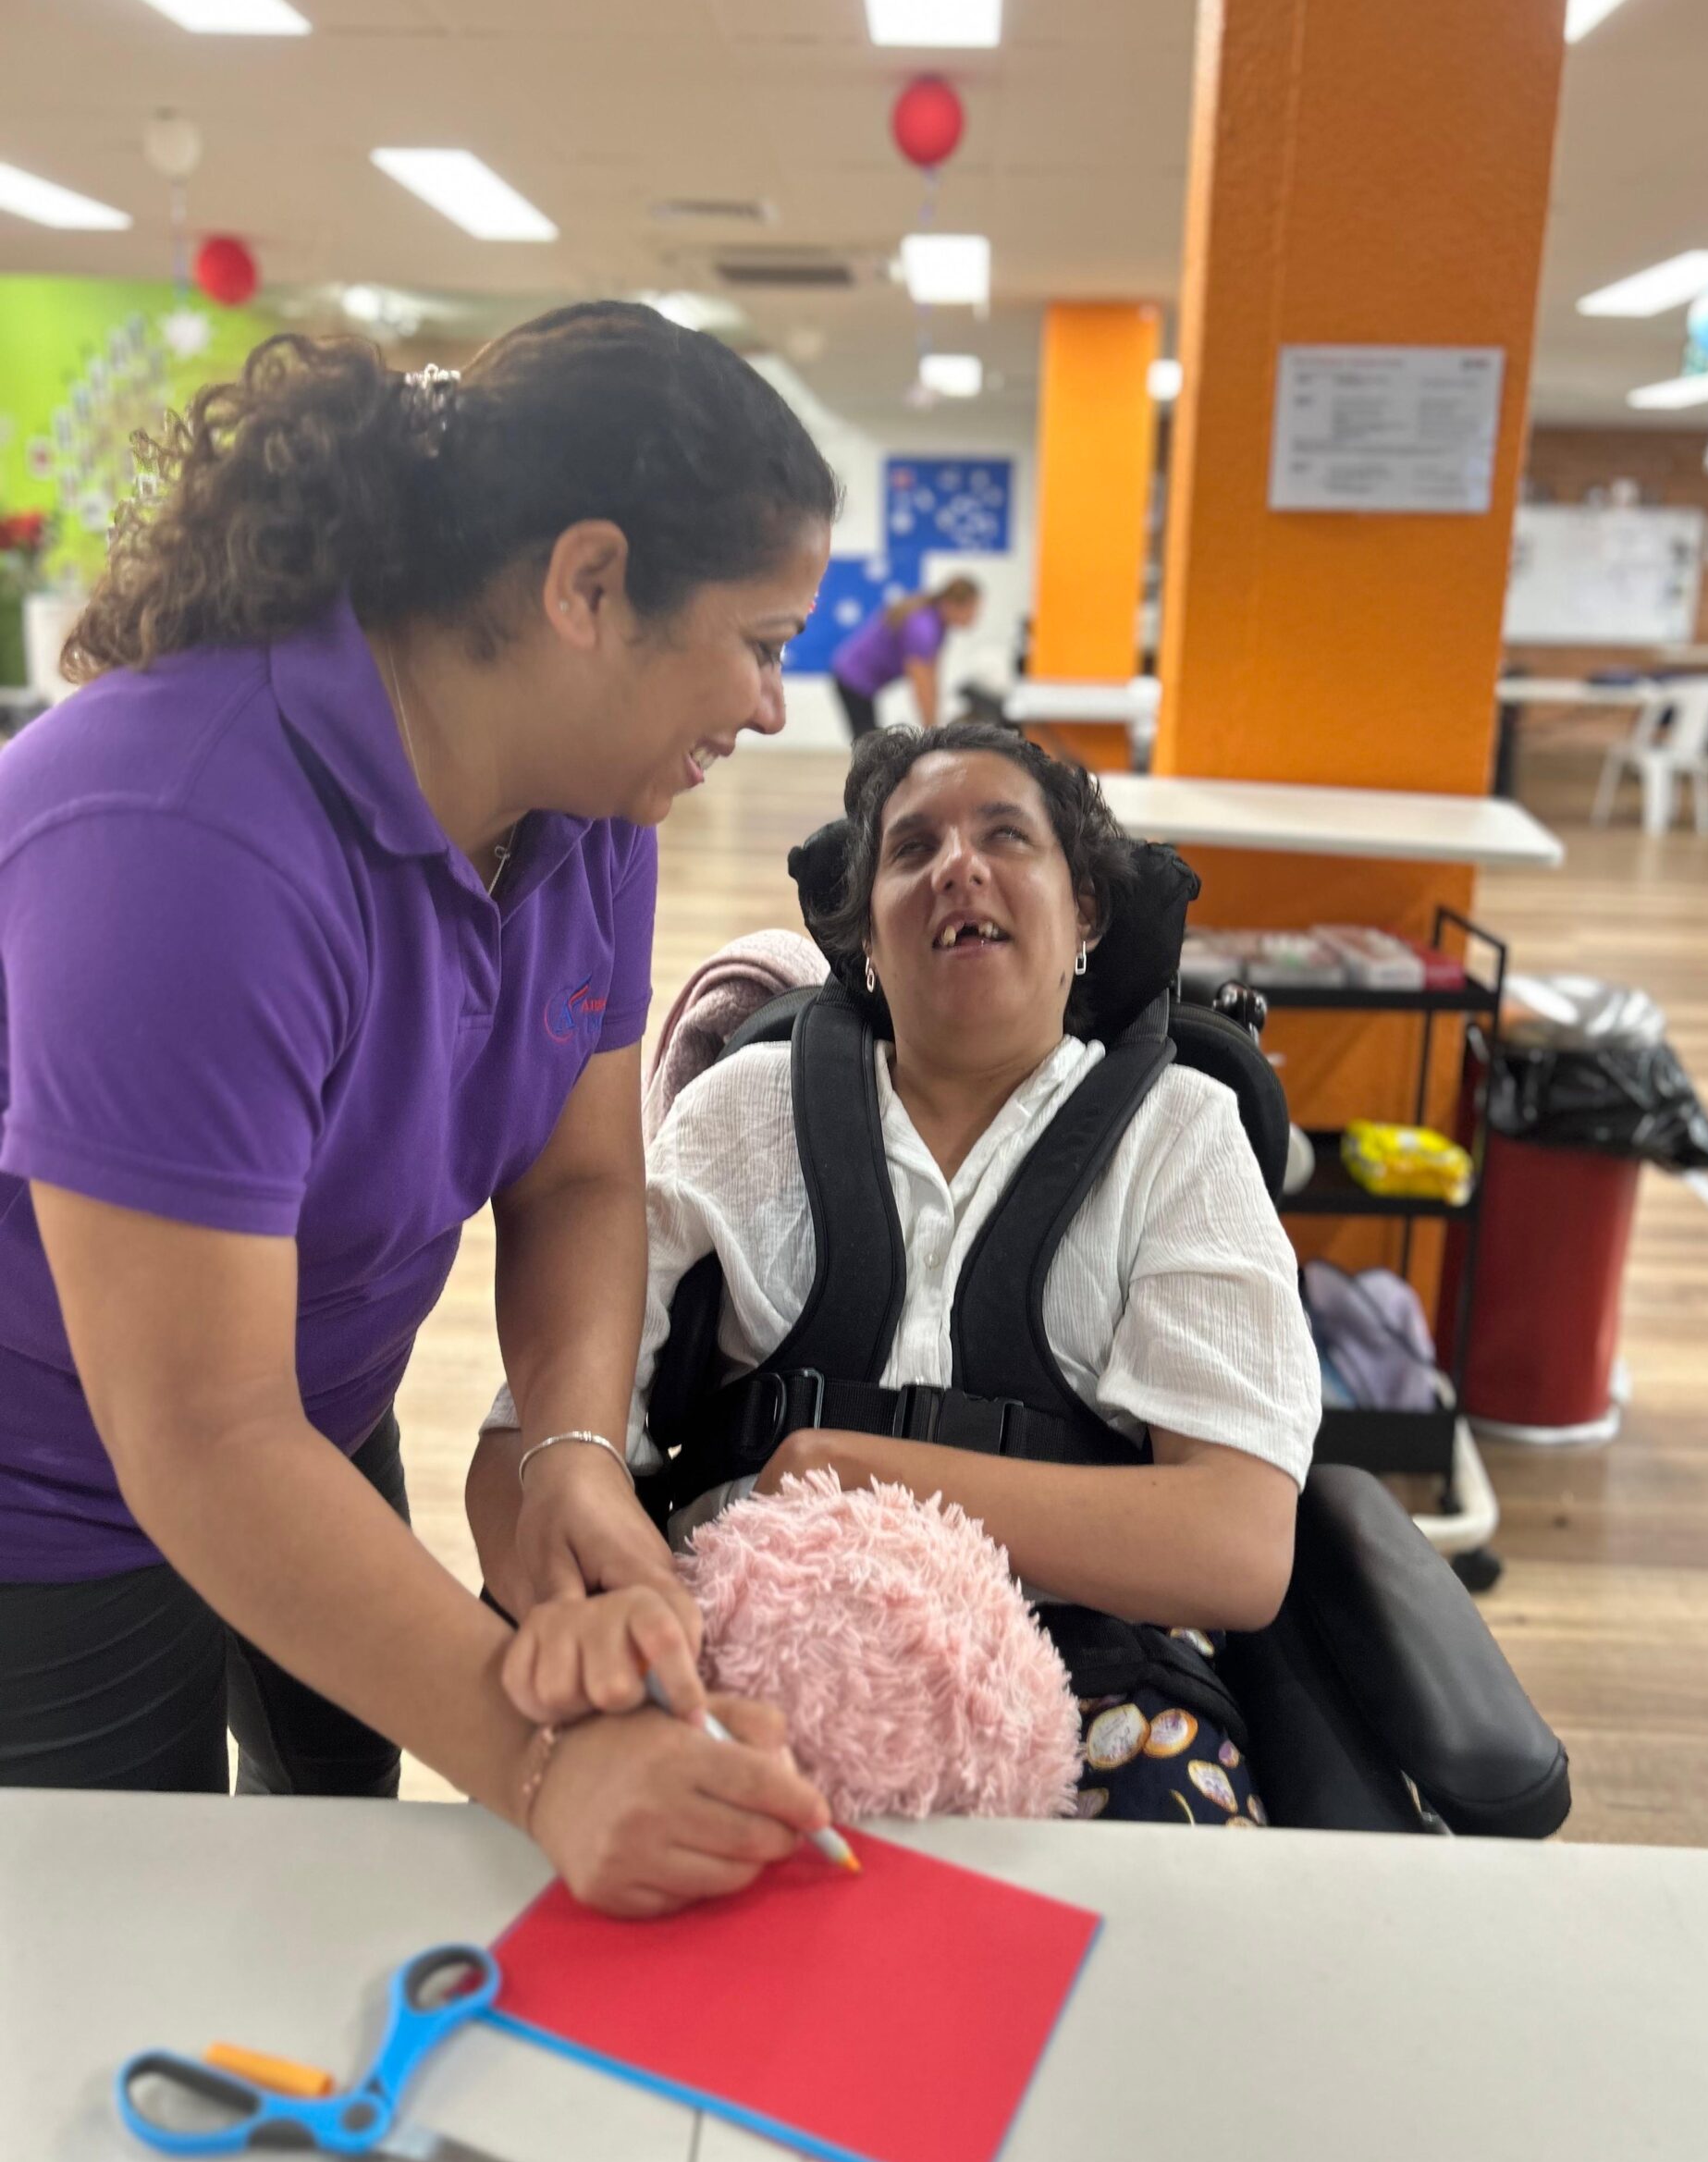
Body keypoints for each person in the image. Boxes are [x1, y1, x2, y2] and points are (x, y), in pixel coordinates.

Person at [0, 303, 844, 1920]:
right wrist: (538, 1768)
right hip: (49, 1481)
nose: (769, 709)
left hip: (307, 1402)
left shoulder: (584, 797)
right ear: (587, 585)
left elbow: (583, 1179)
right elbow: (194, 1428)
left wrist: (571, 1456)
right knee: (115, 1935)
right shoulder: (176, 833)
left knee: (341, 1839)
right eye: (761, 642)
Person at [468, 721, 1321, 1826]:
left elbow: (1237, 1544)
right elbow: (520, 1456)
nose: (958, 865)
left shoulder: (1180, 1137)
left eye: (1006, 835)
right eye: (911, 850)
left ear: (1088, 914)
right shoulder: (746, 1110)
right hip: (731, 1663)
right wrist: (609, 1635)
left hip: (1084, 1689)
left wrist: (842, 1465)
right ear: (865, 930)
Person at [829, 574, 982, 739]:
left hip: (860, 680)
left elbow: (932, 679)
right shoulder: (923, 628)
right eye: (972, 609)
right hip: (852, 678)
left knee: (872, 743)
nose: (975, 616)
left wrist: (935, 728)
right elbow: (921, 686)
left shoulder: (938, 624)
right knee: (868, 746)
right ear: (951, 604)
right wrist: (933, 734)